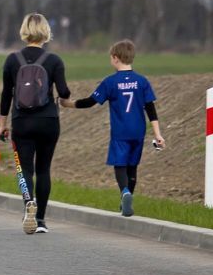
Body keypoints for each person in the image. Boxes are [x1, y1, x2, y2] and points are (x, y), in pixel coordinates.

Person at [64, 39, 165, 217]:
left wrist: (68, 104)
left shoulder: (110, 82)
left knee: (120, 165)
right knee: (132, 166)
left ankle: (124, 192)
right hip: (138, 131)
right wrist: (158, 134)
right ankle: (128, 198)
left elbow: (90, 102)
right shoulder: (142, 81)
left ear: (115, 58)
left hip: (120, 132)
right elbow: (151, 109)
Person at [0, 12, 70, 233]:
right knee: (44, 169)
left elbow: (5, 95)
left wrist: (3, 124)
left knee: (23, 169)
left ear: (24, 31)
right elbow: (64, 91)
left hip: (22, 122)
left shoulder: (12, 60)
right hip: (49, 121)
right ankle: (40, 220)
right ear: (46, 32)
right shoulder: (54, 60)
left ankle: (28, 203)